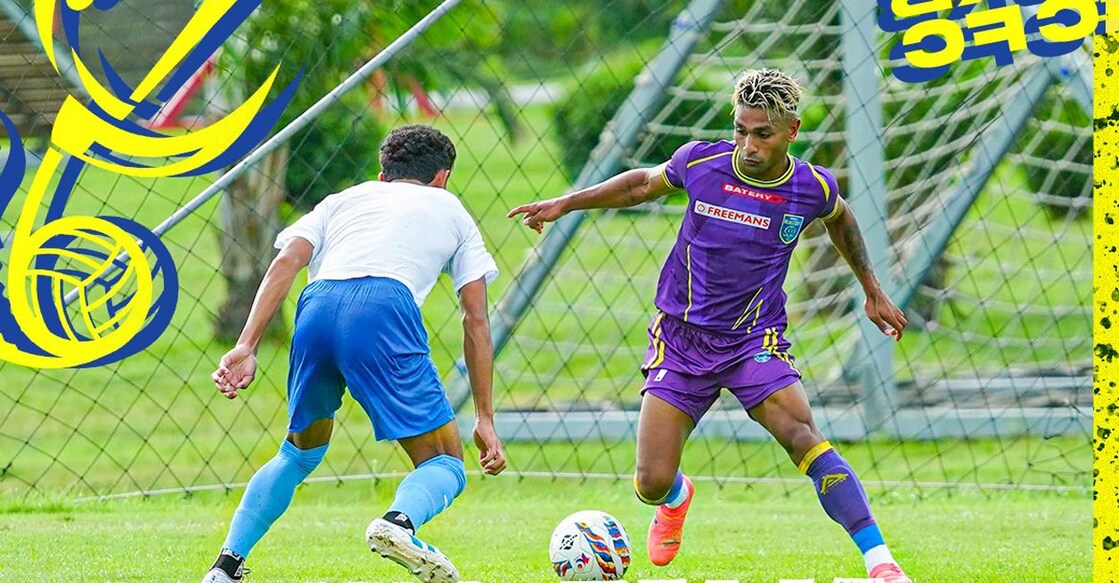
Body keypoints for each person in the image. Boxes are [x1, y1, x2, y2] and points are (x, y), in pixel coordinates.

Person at [508, 69, 912, 582]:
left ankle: (881, 565)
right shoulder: (702, 162)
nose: (748, 144)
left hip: (753, 341)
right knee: (650, 482)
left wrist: (871, 289)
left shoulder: (810, 186)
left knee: (802, 435)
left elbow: (841, 217)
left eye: (762, 133)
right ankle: (676, 498)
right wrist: (568, 202)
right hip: (679, 340)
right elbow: (639, 186)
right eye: (741, 129)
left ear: (792, 130)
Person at [203, 124, 506, 583]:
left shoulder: (343, 199)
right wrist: (484, 415)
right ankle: (398, 523)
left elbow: (286, 262)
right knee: (444, 461)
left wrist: (246, 344)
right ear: (442, 177)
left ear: (383, 175)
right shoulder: (451, 208)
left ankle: (225, 568)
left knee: (298, 453)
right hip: (382, 308)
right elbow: (476, 319)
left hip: (317, 305)